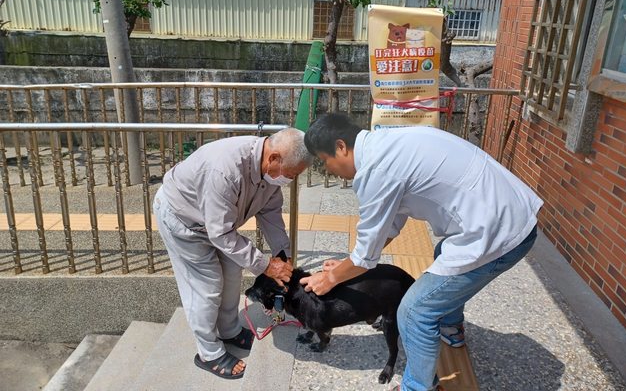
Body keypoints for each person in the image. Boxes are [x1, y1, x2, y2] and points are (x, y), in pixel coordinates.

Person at [299, 113, 543, 391]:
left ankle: (417, 387)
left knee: (414, 311)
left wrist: (330, 278)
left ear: (341, 147)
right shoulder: (385, 144)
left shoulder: (376, 170)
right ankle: (451, 328)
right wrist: (347, 266)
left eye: (324, 160)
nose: (327, 169)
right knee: (444, 254)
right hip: (507, 212)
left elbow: (366, 253)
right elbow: (386, 229)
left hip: (501, 231)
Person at [153, 128, 313, 380]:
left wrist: (283, 254)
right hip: (183, 220)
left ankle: (228, 330)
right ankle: (208, 353)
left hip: (217, 225)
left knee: (232, 273)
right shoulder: (225, 170)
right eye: (291, 174)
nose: (290, 180)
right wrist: (265, 265)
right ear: (273, 158)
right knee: (206, 285)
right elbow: (220, 234)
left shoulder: (269, 173)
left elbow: (271, 214)